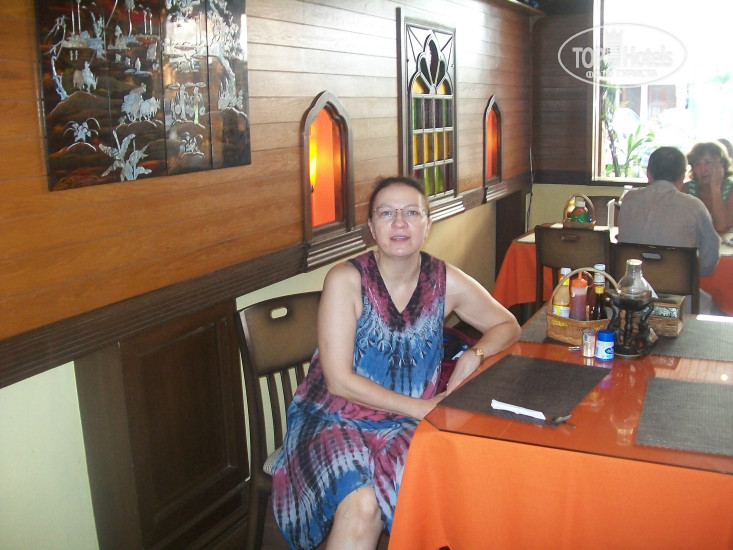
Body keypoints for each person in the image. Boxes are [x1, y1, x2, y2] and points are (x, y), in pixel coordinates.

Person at [271, 176, 521, 549]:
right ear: (372, 228)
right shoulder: (346, 280)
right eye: (386, 213)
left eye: (411, 213)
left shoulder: (445, 280)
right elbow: (338, 381)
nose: (400, 222)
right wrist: (421, 408)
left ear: (427, 224)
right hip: (333, 417)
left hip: (405, 422)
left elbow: (508, 325)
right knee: (363, 504)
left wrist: (475, 354)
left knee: (453, 483)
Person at [618, 146, 720, 280]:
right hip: (678, 290)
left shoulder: (629, 199)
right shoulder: (694, 206)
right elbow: (708, 264)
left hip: (631, 289)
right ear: (683, 175)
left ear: (648, 174)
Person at [685, 141, 733, 232]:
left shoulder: (731, 189)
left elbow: (721, 227)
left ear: (721, 165)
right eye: (697, 164)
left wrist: (715, 188)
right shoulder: (686, 190)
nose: (703, 169)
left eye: (708, 163)